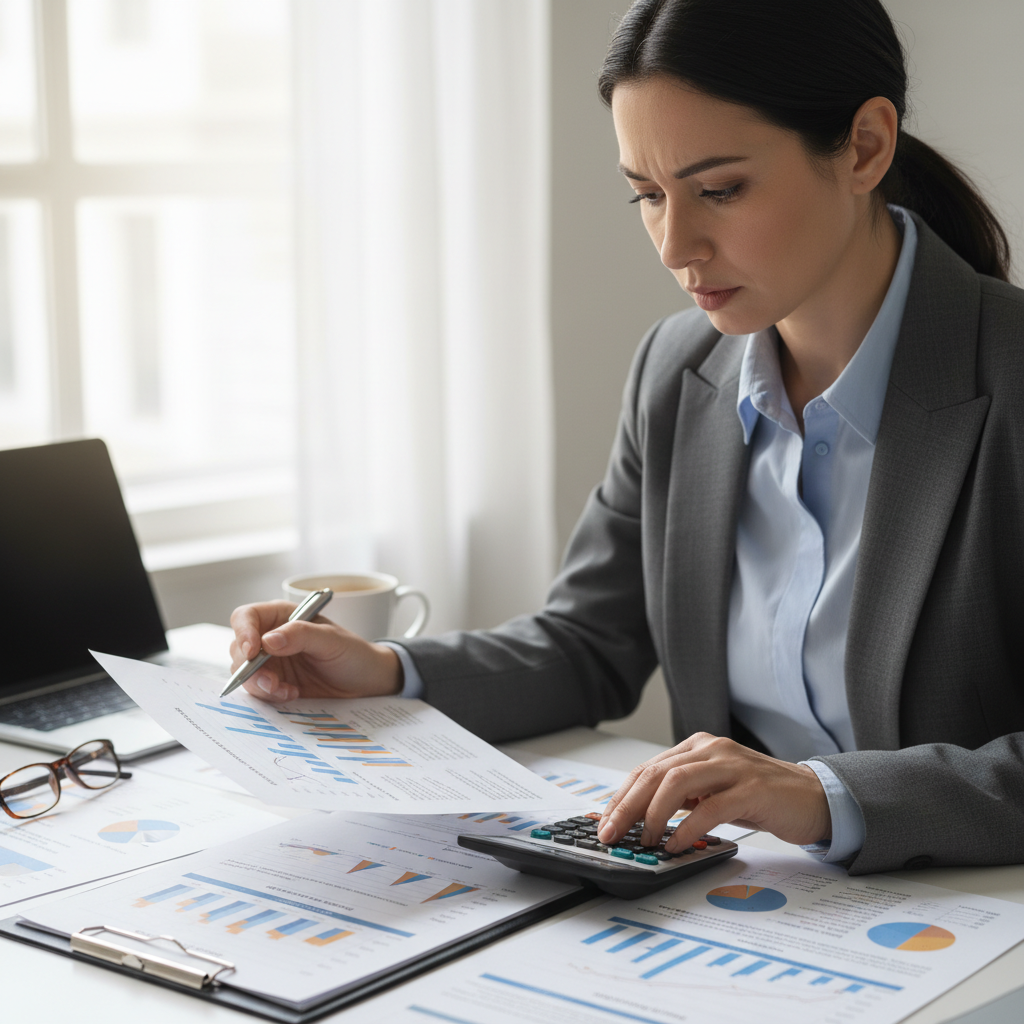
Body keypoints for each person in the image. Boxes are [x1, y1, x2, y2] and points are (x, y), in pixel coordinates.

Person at [230, 0, 1024, 875]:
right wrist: (383, 670)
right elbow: (587, 644)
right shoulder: (678, 369)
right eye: (648, 195)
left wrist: (822, 795)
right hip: (750, 900)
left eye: (720, 190)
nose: (675, 245)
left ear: (865, 147)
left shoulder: (1008, 376)